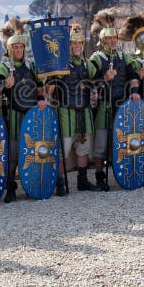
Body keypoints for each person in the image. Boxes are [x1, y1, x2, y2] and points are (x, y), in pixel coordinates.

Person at [0, 18, 46, 203]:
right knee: (13, 154)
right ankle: (11, 188)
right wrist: (6, 83)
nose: (18, 50)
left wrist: (41, 99)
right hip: (12, 114)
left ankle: (33, 186)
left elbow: (39, 87)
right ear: (9, 49)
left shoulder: (31, 66)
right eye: (15, 47)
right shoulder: (3, 67)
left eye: (21, 47)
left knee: (33, 150)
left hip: (31, 114)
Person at [88, 8, 141, 191]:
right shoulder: (96, 59)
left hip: (122, 105)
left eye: (114, 38)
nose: (112, 41)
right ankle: (100, 176)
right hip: (104, 105)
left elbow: (134, 75)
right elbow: (89, 82)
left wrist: (134, 91)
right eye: (109, 38)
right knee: (101, 145)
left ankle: (124, 171)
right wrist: (104, 79)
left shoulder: (124, 57)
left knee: (123, 140)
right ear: (102, 40)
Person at [50, 23, 98, 192]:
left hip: (84, 111)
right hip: (66, 112)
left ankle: (82, 180)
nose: (77, 46)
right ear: (69, 45)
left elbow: (95, 81)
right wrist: (51, 86)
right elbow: (50, 88)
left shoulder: (87, 64)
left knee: (83, 147)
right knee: (64, 148)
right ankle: (60, 182)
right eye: (74, 43)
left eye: (79, 43)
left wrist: (94, 90)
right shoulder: (60, 64)